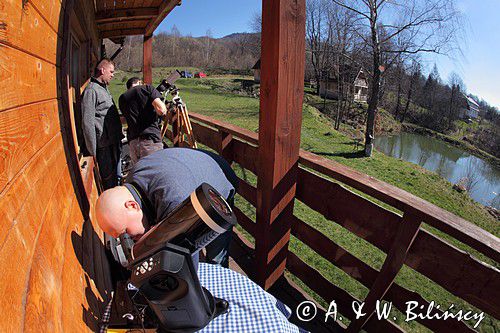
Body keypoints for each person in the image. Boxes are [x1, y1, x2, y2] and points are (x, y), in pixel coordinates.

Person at [95, 147, 238, 268]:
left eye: (126, 232)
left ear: (132, 206)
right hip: (197, 163)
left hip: (220, 177)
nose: (130, 239)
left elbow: (187, 260)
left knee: (215, 248)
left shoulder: (174, 202)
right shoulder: (134, 178)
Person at [82, 58, 123, 189]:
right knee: (109, 182)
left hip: (113, 143)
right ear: (102, 70)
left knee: (117, 177)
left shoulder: (103, 89)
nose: (112, 75)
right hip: (104, 147)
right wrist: (93, 151)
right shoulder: (91, 90)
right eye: (111, 72)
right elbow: (87, 122)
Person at [118, 77, 167, 165]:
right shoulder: (147, 88)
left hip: (133, 143)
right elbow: (161, 110)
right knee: (154, 174)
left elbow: (126, 119)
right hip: (150, 141)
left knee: (138, 175)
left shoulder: (122, 98)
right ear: (140, 82)